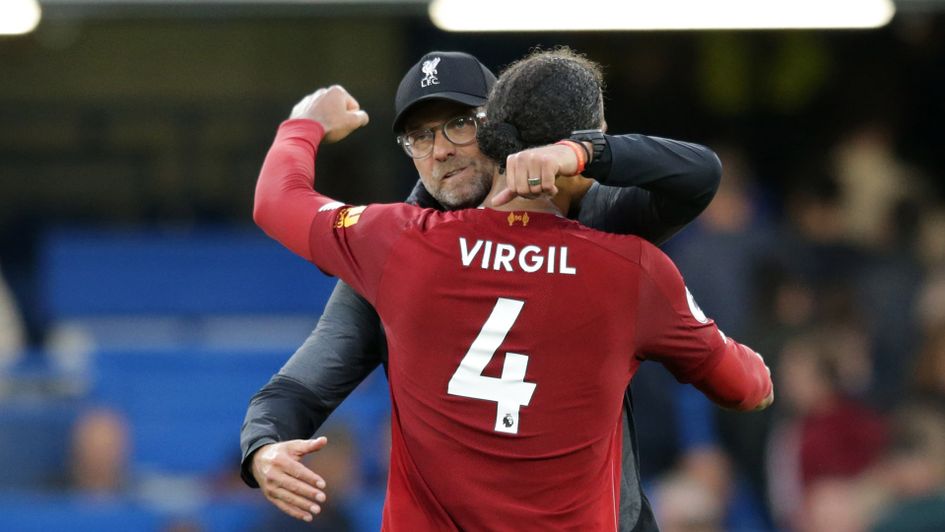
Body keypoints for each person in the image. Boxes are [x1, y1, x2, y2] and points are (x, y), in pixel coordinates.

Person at [251, 48, 773, 530]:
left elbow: (277, 200)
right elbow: (304, 382)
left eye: (460, 124)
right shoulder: (626, 260)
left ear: (499, 128)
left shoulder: (395, 246)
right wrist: (261, 446)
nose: (442, 151)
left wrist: (306, 123)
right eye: (420, 136)